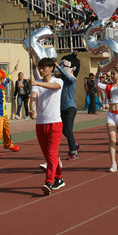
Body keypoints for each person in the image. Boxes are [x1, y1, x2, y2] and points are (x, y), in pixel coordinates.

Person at [29, 58, 65, 195]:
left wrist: (36, 82)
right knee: (49, 155)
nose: (41, 70)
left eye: (44, 67)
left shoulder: (58, 81)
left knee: (51, 153)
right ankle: (59, 178)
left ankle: (48, 182)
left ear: (51, 68)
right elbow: (34, 97)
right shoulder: (37, 85)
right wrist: (32, 109)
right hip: (40, 124)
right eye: (39, 68)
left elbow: (54, 87)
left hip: (55, 123)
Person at [0, 56, 20, 156]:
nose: (5, 79)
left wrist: (15, 70)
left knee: (6, 130)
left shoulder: (3, 84)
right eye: (4, 77)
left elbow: (9, 77)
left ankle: (8, 144)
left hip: (4, 112)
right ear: (0, 78)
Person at [56, 53, 80, 160]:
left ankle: (73, 152)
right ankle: (74, 144)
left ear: (73, 68)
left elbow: (66, 75)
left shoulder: (72, 79)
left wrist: (57, 66)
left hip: (70, 108)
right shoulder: (60, 80)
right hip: (61, 108)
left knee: (69, 130)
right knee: (64, 131)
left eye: (63, 65)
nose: (61, 67)